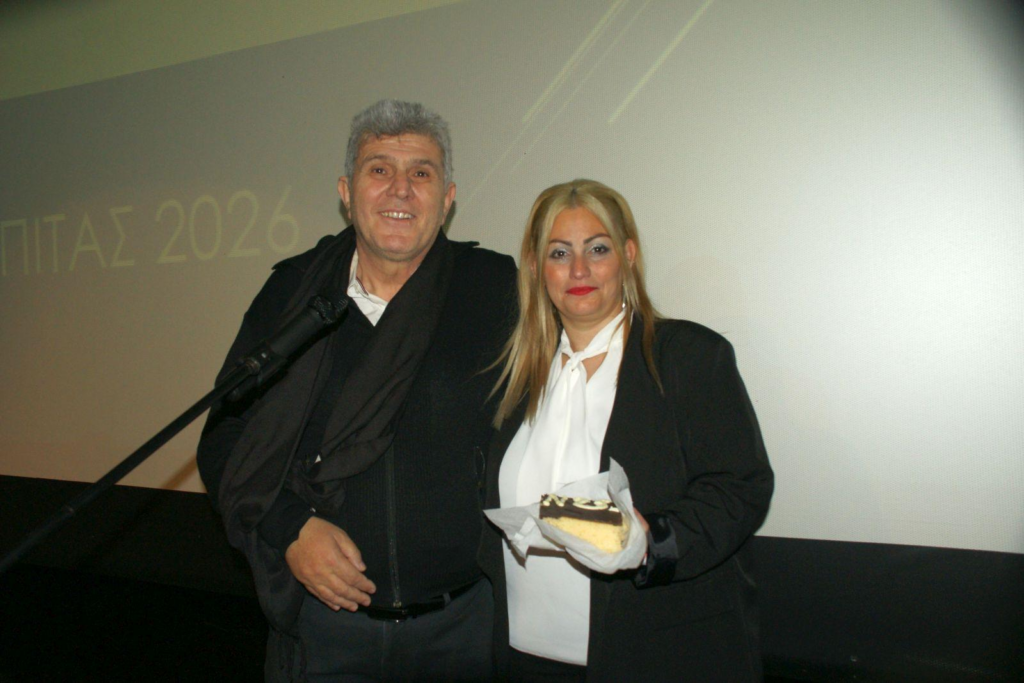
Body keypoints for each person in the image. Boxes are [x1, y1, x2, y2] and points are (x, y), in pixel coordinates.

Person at [198, 100, 517, 682]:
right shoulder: (294, 292)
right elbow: (224, 438)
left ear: (447, 199)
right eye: (379, 169)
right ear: (347, 193)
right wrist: (289, 528)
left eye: (421, 172)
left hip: (463, 628)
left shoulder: (495, 288)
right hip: (325, 632)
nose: (401, 189)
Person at [478, 179, 774, 682]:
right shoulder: (514, 378)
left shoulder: (687, 357)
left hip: (654, 655)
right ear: (535, 267)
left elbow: (740, 488)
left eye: (597, 249)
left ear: (628, 255)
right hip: (523, 656)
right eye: (559, 253)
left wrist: (651, 542)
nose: (578, 269)